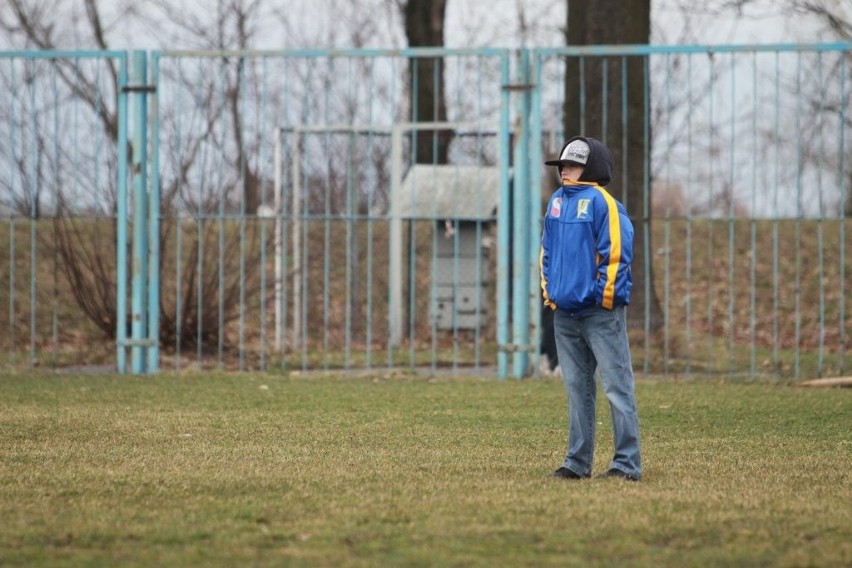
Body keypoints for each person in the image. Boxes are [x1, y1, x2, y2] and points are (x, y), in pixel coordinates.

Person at [539, 136, 642, 481]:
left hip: (600, 314)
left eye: (572, 165)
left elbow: (617, 253)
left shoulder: (604, 203)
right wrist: (550, 292)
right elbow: (547, 252)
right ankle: (576, 463)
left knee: (617, 387)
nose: (565, 171)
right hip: (565, 314)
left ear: (592, 168)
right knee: (577, 389)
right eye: (563, 166)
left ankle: (627, 465)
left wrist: (605, 298)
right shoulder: (555, 202)